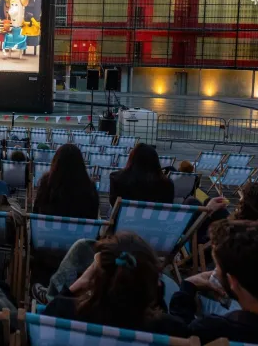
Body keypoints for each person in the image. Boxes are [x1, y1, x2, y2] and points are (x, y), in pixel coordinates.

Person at [43, 232, 188, 337]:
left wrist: (76, 286)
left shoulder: (62, 311)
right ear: (151, 282)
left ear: (96, 277)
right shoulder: (170, 330)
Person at [33, 143, 99, 219]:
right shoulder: (90, 189)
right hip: (78, 231)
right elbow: (93, 218)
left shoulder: (46, 184)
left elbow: (36, 213)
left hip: (47, 230)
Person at [109, 143, 173, 206]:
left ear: (131, 159)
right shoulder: (167, 185)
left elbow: (114, 205)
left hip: (124, 216)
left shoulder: (117, 179)